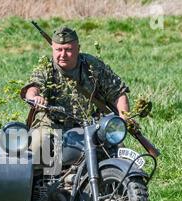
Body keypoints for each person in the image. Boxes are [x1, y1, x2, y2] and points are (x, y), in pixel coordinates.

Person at [21, 26, 133, 167]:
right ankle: (42, 183)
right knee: (38, 144)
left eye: (68, 50)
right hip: (53, 123)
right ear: (52, 49)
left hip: (90, 123)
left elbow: (118, 92)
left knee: (115, 144)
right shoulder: (46, 68)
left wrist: (124, 119)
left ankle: (113, 181)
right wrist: (35, 97)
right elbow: (33, 87)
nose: (63, 54)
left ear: (78, 48)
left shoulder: (92, 65)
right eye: (58, 50)